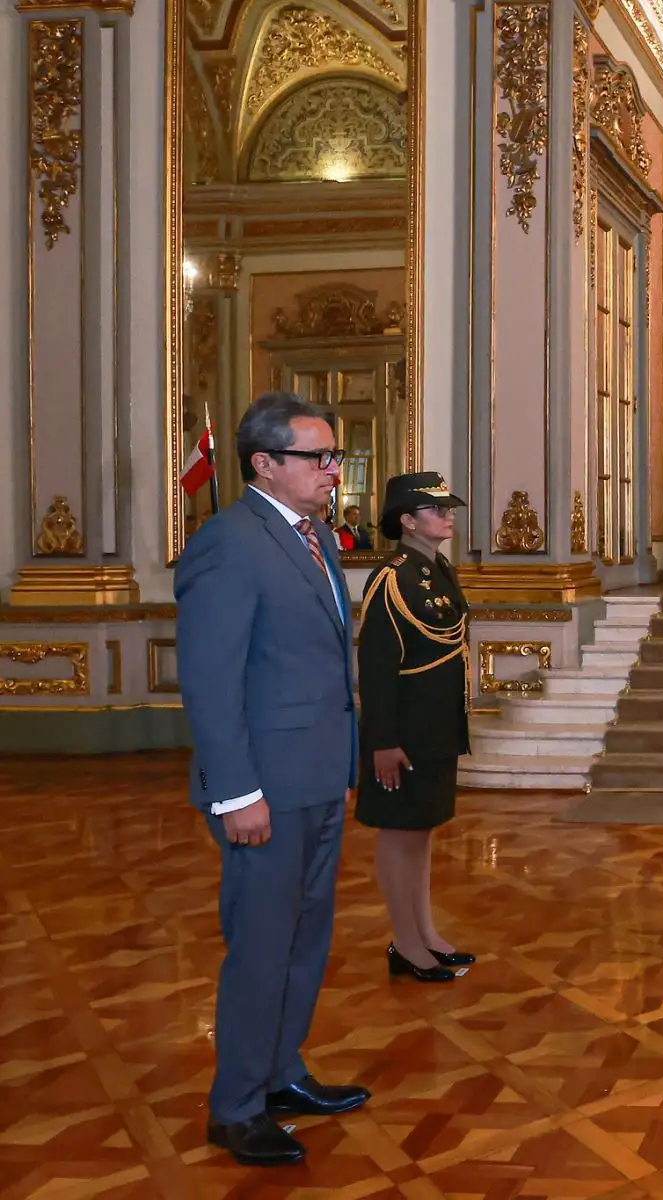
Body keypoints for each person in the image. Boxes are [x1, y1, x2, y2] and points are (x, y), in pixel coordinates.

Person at [174, 391, 371, 1167]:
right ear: (265, 463)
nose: (332, 470)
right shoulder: (230, 542)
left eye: (332, 456)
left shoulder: (316, 536)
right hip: (263, 790)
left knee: (304, 939)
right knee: (260, 947)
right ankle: (235, 1108)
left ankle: (282, 1072)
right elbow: (211, 681)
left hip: (320, 778)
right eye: (317, 457)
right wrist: (235, 791)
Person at [354, 473, 474, 985]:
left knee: (421, 832)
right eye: (436, 509)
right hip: (401, 734)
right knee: (400, 835)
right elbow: (378, 668)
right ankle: (404, 942)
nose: (448, 516)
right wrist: (383, 740)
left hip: (435, 727)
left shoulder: (436, 568)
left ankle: (424, 932)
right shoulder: (390, 577)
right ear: (407, 520)